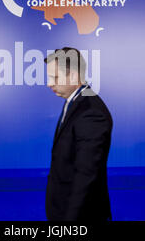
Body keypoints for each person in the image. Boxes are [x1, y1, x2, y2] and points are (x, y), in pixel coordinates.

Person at [44, 47, 113, 221]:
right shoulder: (75, 102)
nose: (49, 83)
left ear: (74, 76)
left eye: (55, 77)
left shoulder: (90, 112)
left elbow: (85, 175)